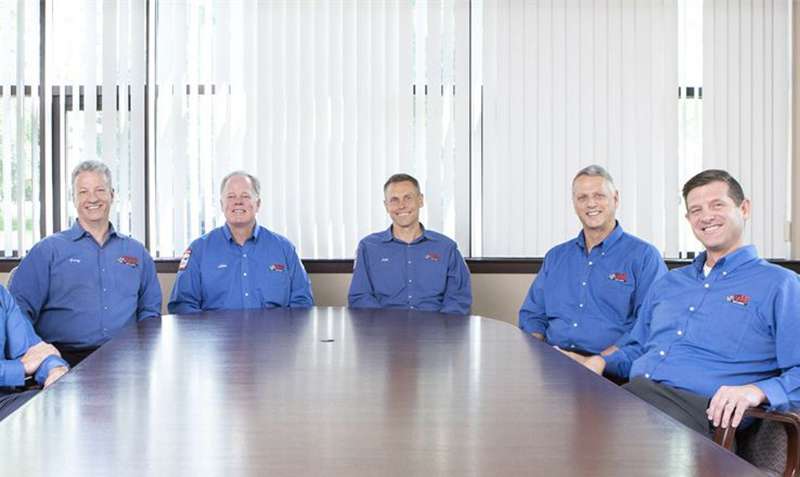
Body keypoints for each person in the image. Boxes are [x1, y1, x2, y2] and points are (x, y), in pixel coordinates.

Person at [567, 169, 800, 436]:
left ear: (744, 208)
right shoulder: (669, 283)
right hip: (635, 397)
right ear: (689, 218)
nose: (706, 216)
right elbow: (637, 348)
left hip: (700, 418)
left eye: (717, 205)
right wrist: (598, 362)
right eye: (696, 210)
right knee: (562, 424)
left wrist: (757, 391)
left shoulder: (780, 284)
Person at [10, 160, 161, 367]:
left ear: (112, 195)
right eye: (83, 192)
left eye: (100, 190)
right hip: (63, 360)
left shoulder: (137, 252)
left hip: (126, 360)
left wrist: (144, 353)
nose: (92, 198)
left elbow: (150, 311)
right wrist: (40, 355)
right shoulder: (47, 251)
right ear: (74, 198)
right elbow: (17, 311)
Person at [519, 165, 666, 356]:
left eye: (599, 196)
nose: (591, 204)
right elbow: (533, 314)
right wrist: (537, 355)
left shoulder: (644, 257)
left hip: (610, 369)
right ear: (574, 203)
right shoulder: (556, 257)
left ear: (615, 199)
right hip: (553, 361)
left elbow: (649, 322)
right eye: (582, 198)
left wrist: (601, 361)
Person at [168, 171, 313, 313]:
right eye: (231, 196)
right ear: (221, 204)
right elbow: (183, 305)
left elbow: (302, 301)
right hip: (217, 337)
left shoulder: (284, 248)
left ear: (258, 204)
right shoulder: (199, 250)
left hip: (273, 336)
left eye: (245, 196)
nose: (238, 202)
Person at [348, 173, 471, 315]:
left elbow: (458, 298)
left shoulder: (447, 248)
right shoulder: (368, 247)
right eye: (394, 200)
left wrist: (440, 330)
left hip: (435, 332)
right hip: (384, 332)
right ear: (386, 206)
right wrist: (383, 329)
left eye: (408, 198)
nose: (401, 205)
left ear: (420, 200)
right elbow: (360, 297)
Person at [0, 284, 68, 421]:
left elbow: (34, 349)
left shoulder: (2, 295)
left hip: (4, 401)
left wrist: (55, 369)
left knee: (63, 405)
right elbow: (28, 361)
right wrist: (21, 367)